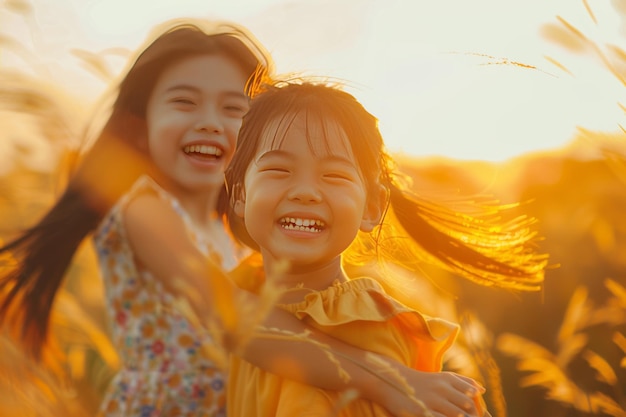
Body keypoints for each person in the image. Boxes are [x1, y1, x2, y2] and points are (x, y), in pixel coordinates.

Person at [0, 18, 496, 417]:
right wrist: (394, 382)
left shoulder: (247, 232)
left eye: (234, 107)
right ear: (141, 121)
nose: (210, 122)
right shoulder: (143, 210)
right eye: (184, 101)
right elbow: (236, 321)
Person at [224, 81, 548, 416]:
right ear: (239, 195)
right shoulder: (232, 290)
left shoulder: (364, 328)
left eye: (333, 176)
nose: (305, 191)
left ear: (372, 207)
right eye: (278, 170)